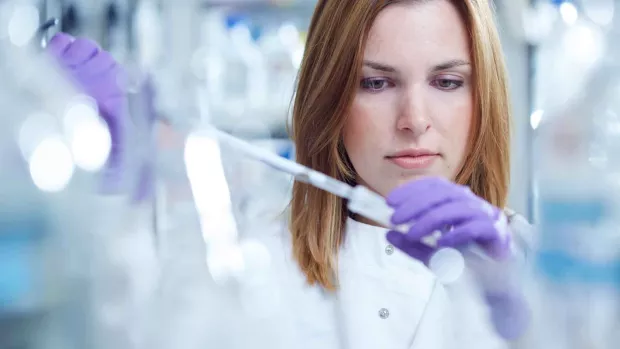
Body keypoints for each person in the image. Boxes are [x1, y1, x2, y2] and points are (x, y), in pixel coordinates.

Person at [46, 0, 533, 348]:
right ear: (330, 100)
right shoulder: (253, 268)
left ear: (483, 100)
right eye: (376, 82)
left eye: (447, 82)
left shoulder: (539, 269)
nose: (414, 118)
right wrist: (108, 189)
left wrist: (532, 321)